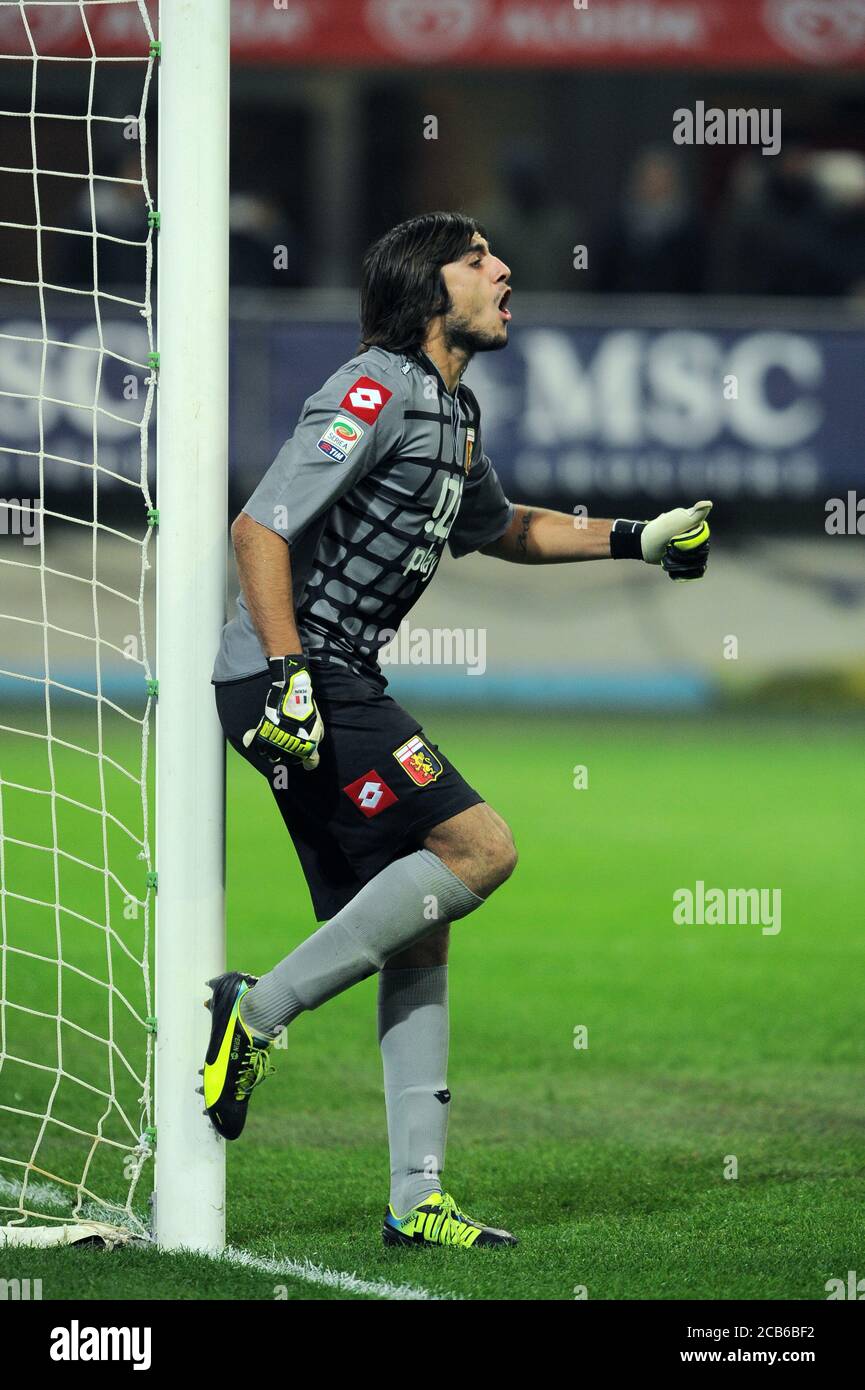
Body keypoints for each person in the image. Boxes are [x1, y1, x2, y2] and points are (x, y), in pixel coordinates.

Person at [206, 211, 712, 1249]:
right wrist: (294, 672)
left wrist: (636, 537)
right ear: (427, 289)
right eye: (478, 260)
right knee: (481, 847)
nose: (504, 270)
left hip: (328, 680)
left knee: (418, 921)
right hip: (294, 677)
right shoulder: (375, 387)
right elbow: (258, 524)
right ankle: (252, 1013)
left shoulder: (452, 413)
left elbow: (506, 529)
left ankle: (413, 1199)